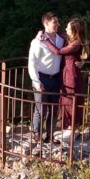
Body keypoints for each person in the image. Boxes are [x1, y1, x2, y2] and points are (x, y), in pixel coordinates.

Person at [38, 18, 90, 141]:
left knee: (70, 99)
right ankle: (68, 127)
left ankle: (71, 129)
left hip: (71, 73)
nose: (65, 29)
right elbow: (52, 31)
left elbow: (58, 51)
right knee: (65, 99)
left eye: (68, 27)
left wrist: (45, 40)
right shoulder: (69, 38)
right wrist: (42, 32)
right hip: (66, 72)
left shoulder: (76, 43)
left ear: (74, 30)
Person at [28, 12, 64, 143]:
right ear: (46, 24)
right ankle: (36, 135)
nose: (57, 24)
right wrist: (36, 81)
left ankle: (50, 135)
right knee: (41, 109)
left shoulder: (61, 40)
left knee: (54, 109)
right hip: (42, 78)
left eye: (57, 22)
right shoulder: (37, 42)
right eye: (55, 22)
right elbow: (32, 62)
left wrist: (81, 61)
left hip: (56, 78)